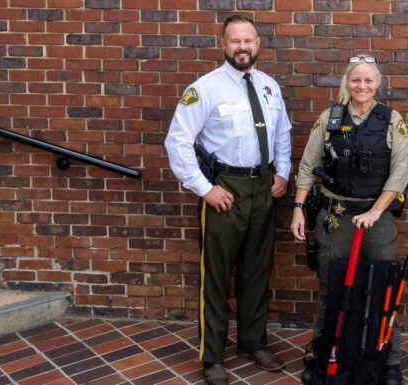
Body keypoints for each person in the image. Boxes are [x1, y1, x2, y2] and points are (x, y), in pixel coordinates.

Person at [164, 15, 291, 385]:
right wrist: (204, 188)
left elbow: (282, 133)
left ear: (258, 45)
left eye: (248, 41)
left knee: (257, 271)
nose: (242, 48)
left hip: (263, 188)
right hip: (224, 189)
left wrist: (281, 172)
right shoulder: (205, 89)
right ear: (223, 44)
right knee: (216, 277)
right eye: (235, 41)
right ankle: (213, 356)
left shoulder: (269, 86)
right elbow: (178, 141)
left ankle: (253, 342)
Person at [290, 54, 408, 385]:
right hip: (336, 217)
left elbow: (400, 174)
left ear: (378, 84)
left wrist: (375, 211)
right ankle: (322, 352)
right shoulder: (329, 118)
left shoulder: (392, 120)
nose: (362, 86)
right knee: (330, 288)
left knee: (384, 288)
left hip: (377, 218)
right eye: (356, 79)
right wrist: (298, 208)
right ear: (347, 82)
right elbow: (306, 166)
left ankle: (390, 362)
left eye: (368, 80)